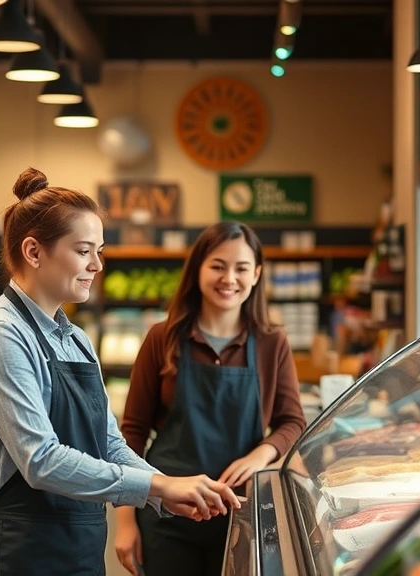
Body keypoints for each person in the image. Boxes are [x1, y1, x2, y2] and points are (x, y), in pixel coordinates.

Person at [0, 168, 241, 576]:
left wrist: (164, 489)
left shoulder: (75, 339)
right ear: (34, 252)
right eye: (84, 250)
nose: (97, 266)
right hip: (18, 550)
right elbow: (41, 460)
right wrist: (159, 486)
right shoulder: (0, 335)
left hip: (79, 546)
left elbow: (108, 444)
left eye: (99, 251)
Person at [115, 221, 307, 576]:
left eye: (241, 268)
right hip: (167, 515)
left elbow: (292, 421)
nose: (229, 278)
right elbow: (131, 435)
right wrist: (125, 520)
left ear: (257, 274)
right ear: (198, 268)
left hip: (240, 513)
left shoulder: (271, 343)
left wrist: (261, 454)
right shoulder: (162, 337)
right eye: (218, 265)